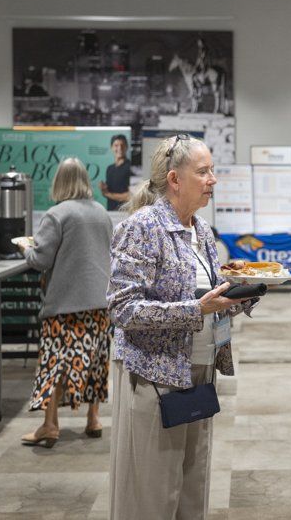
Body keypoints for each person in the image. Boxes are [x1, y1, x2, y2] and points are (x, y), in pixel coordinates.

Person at [108, 135, 256, 520]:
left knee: (192, 490)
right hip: (156, 378)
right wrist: (195, 309)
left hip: (200, 374)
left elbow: (209, 305)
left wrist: (241, 297)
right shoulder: (142, 228)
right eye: (203, 172)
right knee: (153, 495)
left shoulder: (203, 231)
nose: (213, 180)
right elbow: (123, 309)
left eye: (212, 171)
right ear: (175, 179)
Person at [18, 158, 113, 447]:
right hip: (100, 302)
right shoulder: (101, 213)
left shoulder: (57, 214)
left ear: (59, 181)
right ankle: (93, 419)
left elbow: (41, 260)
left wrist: (24, 246)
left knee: (54, 363)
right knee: (95, 361)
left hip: (65, 305)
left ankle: (50, 425)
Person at [99, 134, 131, 211]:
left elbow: (130, 196)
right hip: (110, 212)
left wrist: (108, 194)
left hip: (125, 213)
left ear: (126, 147)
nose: (120, 148)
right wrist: (104, 188)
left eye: (122, 145)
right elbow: (108, 191)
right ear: (111, 147)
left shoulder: (130, 167)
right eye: (116, 145)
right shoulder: (109, 169)